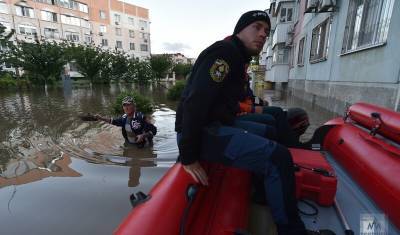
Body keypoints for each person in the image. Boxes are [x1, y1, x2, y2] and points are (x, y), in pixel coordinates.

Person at [175, 10, 325, 235]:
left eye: (266, 31)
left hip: (216, 124)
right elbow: (194, 102)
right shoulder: (224, 54)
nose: (263, 35)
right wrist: (188, 155)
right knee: (279, 157)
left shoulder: (238, 57)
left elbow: (222, 103)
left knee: (268, 130)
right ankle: (292, 231)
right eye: (256, 27)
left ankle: (263, 193)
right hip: (200, 133)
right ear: (240, 30)